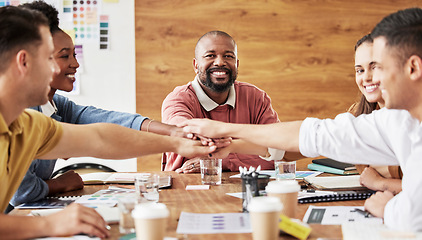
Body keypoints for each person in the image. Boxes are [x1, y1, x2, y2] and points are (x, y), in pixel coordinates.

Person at [179, 8, 422, 231]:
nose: (372, 79)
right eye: (361, 69)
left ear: (412, 68)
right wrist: (228, 136)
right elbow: (311, 135)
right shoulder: (395, 120)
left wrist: (387, 207)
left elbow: (414, 214)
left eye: (380, 67)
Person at [0, 6, 216, 238]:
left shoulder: (29, 124)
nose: (56, 68)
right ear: (24, 62)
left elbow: (101, 138)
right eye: (48, 58)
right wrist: (49, 225)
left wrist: (176, 142)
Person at [161, 30, 285, 173]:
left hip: (246, 189)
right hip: (188, 190)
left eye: (228, 56)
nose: (220, 62)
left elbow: (278, 153)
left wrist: (220, 160)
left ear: (237, 64)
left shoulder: (256, 97)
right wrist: (253, 151)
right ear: (196, 65)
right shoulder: (177, 100)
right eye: (210, 56)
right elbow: (189, 149)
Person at [349, 34, 402, 195]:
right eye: (360, 70)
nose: (366, 77)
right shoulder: (357, 114)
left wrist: (380, 183)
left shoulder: (414, 116)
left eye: (375, 67)